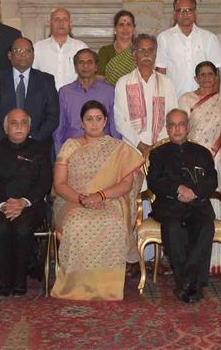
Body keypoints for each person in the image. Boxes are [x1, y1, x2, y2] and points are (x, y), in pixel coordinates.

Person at [51, 100, 144, 301]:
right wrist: (82, 198)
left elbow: (126, 185)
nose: (94, 123)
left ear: (105, 121)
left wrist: (100, 196)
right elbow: (60, 184)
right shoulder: (70, 146)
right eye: (89, 119)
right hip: (72, 200)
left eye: (98, 119)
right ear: (81, 123)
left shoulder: (119, 148)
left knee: (114, 222)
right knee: (76, 223)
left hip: (109, 199)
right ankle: (77, 283)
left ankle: (107, 286)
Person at [147, 109, 219, 303]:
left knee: (206, 226)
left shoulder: (202, 153)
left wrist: (193, 192)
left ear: (188, 127)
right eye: (172, 125)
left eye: (181, 125)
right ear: (167, 128)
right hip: (170, 206)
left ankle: (186, 281)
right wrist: (178, 188)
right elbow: (154, 181)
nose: (177, 129)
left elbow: (212, 181)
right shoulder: (158, 154)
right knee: (173, 229)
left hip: (198, 205)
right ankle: (192, 283)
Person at [0, 108, 52, 297]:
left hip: (31, 204)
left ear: (29, 127)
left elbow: (44, 181)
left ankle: (20, 280)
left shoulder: (40, 149)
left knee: (22, 229)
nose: (19, 127)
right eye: (14, 123)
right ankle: (5, 281)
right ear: (6, 128)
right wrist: (4, 204)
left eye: (23, 123)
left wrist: (23, 202)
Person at [0, 37, 60, 145]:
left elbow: (53, 116)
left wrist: (34, 138)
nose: (23, 54)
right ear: (9, 55)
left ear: (33, 55)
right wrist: (4, 138)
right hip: (1, 144)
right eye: (18, 51)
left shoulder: (46, 81)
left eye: (27, 51)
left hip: (37, 145)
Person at [113, 34, 179, 156]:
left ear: (155, 55)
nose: (146, 54)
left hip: (161, 148)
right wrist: (141, 145)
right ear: (134, 55)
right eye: (141, 50)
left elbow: (171, 117)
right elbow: (120, 120)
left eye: (150, 50)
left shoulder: (167, 82)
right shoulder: (123, 83)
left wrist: (157, 145)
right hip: (132, 148)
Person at [178, 61, 221, 198]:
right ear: (196, 78)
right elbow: (181, 128)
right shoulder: (186, 99)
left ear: (216, 77)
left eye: (210, 74)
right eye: (202, 75)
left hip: (219, 154)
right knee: (196, 190)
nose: (206, 78)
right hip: (195, 153)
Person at [156, 0, 221, 97]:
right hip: (174, 101)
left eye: (189, 10)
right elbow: (161, 73)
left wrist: (211, 102)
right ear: (175, 14)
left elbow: (216, 75)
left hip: (203, 101)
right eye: (180, 10)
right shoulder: (164, 37)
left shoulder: (209, 38)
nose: (185, 14)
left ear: (195, 13)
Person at [54, 48, 120, 152]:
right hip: (73, 150)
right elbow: (59, 128)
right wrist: (60, 156)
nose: (86, 66)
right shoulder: (65, 93)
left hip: (103, 150)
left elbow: (115, 126)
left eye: (90, 62)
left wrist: (117, 155)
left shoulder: (109, 91)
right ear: (75, 67)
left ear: (96, 67)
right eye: (81, 62)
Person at [35, 7, 88, 89]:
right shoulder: (38, 47)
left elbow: (87, 77)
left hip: (73, 97)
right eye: (56, 19)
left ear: (70, 23)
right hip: (45, 99)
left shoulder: (81, 47)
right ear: (50, 23)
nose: (61, 23)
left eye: (65, 19)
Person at [95, 9, 138, 86]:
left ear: (134, 29)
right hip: (110, 95)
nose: (125, 28)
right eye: (121, 25)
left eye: (128, 24)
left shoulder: (140, 51)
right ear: (115, 29)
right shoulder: (105, 51)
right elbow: (99, 80)